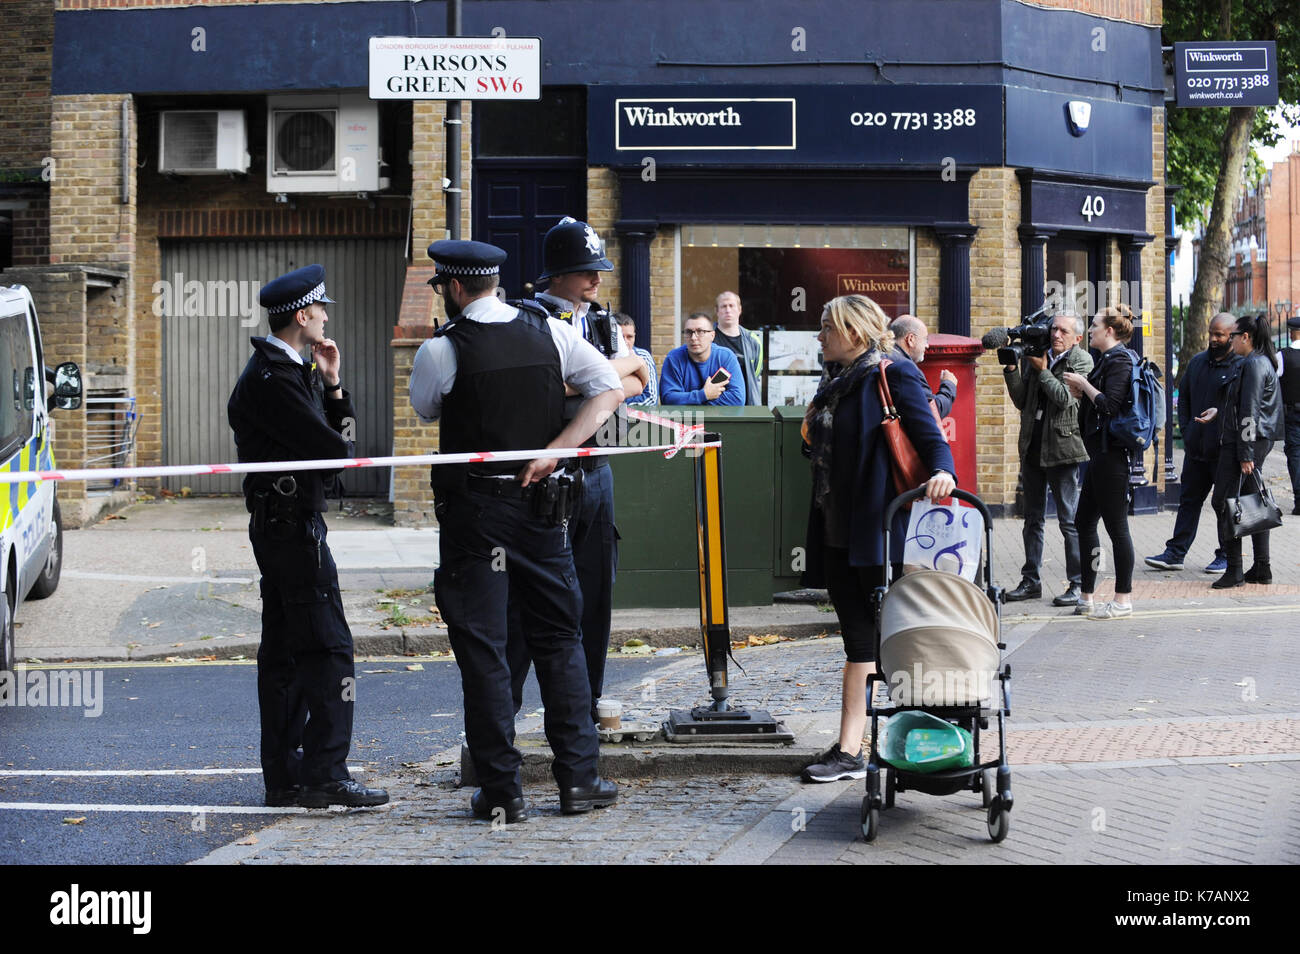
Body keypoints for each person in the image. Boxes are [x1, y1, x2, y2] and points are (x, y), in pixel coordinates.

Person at [411, 239, 623, 822]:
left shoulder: (442, 349)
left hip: (476, 516)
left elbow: (426, 410)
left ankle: (502, 790)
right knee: (561, 641)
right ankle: (579, 781)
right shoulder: (550, 332)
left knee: (484, 650)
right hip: (541, 509)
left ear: (454, 288)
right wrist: (556, 451)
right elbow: (609, 388)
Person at [227, 264, 388, 809]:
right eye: (321, 310)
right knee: (328, 647)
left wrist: (334, 384)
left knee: (288, 651)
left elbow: (338, 449)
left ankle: (288, 777)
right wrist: (330, 407)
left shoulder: (291, 370)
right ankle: (324, 773)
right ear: (303, 315)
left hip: (289, 521)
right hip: (289, 526)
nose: (324, 318)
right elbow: (338, 453)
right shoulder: (272, 379)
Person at [799, 295, 956, 783]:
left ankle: (931, 734)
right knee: (857, 638)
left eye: (828, 326)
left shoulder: (891, 374)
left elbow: (930, 436)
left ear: (855, 332)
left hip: (879, 526)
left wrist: (943, 474)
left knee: (899, 637)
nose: (820, 335)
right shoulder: (834, 384)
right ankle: (849, 750)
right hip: (837, 528)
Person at [507, 218, 647, 726]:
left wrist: (596, 381)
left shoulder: (603, 320)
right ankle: (506, 709)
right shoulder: (527, 317)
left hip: (598, 466)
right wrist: (610, 378)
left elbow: (641, 376)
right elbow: (546, 387)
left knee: (595, 591)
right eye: (585, 270)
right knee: (530, 595)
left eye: (598, 269)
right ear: (558, 273)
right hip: (551, 466)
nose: (595, 279)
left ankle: (582, 704)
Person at [1000, 311, 1092, 607]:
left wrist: (1042, 371)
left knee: (1069, 521)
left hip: (1064, 451)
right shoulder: (1037, 354)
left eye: (1064, 331)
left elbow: (1066, 400)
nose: (1056, 335)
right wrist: (1012, 368)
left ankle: (1078, 584)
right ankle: (1031, 581)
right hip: (1032, 447)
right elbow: (1021, 400)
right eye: (1054, 329)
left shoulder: (1081, 360)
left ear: (1077, 337)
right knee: (1032, 519)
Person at [1145, 313, 1237, 574]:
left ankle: (1227, 555)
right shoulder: (1197, 363)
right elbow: (1183, 398)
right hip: (1197, 449)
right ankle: (1175, 553)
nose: (1214, 339)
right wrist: (1187, 431)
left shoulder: (1239, 366)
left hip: (1223, 451)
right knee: (1189, 501)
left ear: (1232, 335)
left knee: (1224, 504)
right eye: (1211, 333)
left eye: (1220, 335)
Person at [1063, 305, 1139, 620]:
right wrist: (1085, 393)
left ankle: (1122, 600)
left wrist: (1084, 384)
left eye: (1094, 325)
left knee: (1117, 528)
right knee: (1083, 523)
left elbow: (1110, 405)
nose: (1090, 330)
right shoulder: (1107, 360)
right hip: (1099, 455)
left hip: (1113, 457)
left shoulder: (1120, 359)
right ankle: (1087, 596)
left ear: (1109, 331)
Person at [1201, 312, 1283, 588]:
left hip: (1243, 443)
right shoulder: (1256, 362)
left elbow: (1249, 411)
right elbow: (1242, 405)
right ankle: (1262, 567)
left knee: (1224, 503)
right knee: (1253, 502)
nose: (1231, 341)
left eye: (1234, 335)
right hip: (1248, 440)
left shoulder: (1254, 364)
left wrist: (1246, 453)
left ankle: (1234, 569)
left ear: (1245, 337)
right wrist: (1219, 411)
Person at [659, 312, 746, 405]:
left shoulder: (726, 357)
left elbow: (737, 399)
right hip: (683, 419)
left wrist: (692, 401)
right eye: (688, 332)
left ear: (712, 336)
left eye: (700, 332)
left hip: (719, 418)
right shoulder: (674, 358)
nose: (693, 337)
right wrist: (703, 395)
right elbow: (668, 398)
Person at [889, 314, 956, 417]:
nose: (927, 345)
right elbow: (932, 413)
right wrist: (949, 385)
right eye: (925, 339)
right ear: (911, 339)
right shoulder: (905, 368)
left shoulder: (884, 358)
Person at [713, 291, 763, 406]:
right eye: (724, 306)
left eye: (731, 305)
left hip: (746, 408)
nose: (728, 310)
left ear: (739, 309)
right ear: (717, 311)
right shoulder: (708, 338)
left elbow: (754, 374)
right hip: (715, 406)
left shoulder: (753, 341)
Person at [615, 312, 658, 406]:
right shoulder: (601, 357)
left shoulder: (643, 356)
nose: (625, 342)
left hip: (636, 419)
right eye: (621, 337)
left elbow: (651, 399)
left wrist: (617, 404)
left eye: (629, 337)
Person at [1281, 315, 1300, 515]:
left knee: (1295, 455)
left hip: (1292, 413)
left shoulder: (1283, 356)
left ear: (1291, 333)